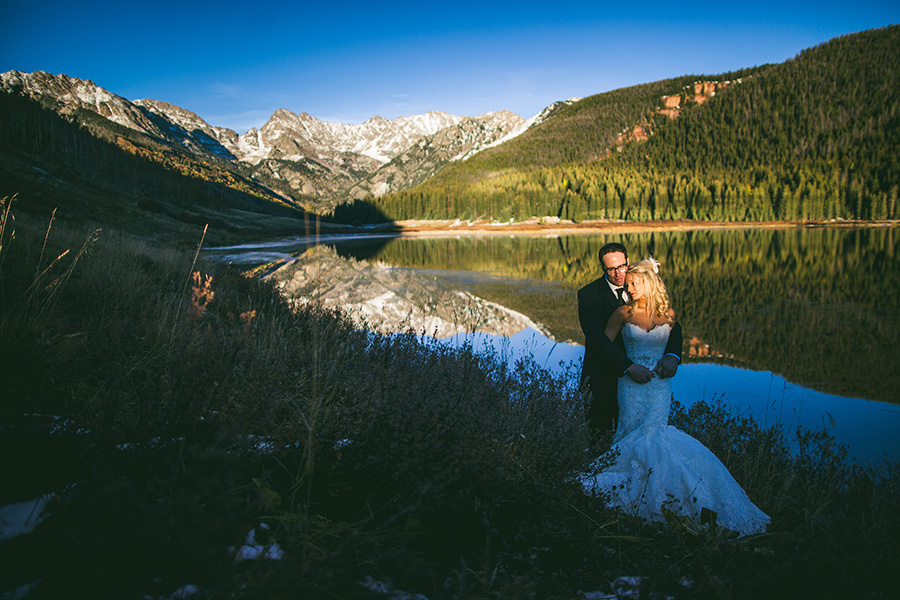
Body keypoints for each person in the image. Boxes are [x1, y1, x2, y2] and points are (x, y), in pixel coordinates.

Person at [581, 259, 770, 535]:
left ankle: (664, 493)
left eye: (634, 283)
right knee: (630, 433)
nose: (628, 288)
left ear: (649, 283)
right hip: (631, 385)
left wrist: (672, 357)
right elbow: (603, 347)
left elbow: (674, 339)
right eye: (628, 283)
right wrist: (625, 367)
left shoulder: (667, 314)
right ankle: (636, 490)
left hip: (659, 387)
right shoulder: (623, 312)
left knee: (655, 436)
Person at [578, 243, 683, 437]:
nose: (618, 274)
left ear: (627, 262)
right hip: (605, 376)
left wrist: (672, 356)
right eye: (611, 269)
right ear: (603, 268)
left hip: (652, 381)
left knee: (651, 435)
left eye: (621, 266)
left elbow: (673, 329)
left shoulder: (641, 285)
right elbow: (597, 340)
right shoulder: (589, 295)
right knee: (603, 438)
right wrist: (628, 366)